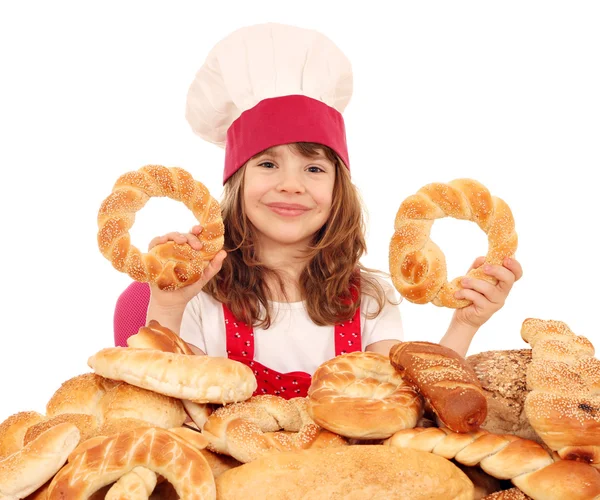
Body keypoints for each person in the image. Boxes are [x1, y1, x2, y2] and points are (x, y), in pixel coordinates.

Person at [140, 23, 522, 399]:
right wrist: (167, 304)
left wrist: (465, 323)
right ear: (237, 183)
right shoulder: (200, 296)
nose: (291, 184)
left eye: (314, 168)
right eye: (268, 165)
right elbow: (160, 405)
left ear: (339, 190)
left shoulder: (369, 300)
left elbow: (407, 402)